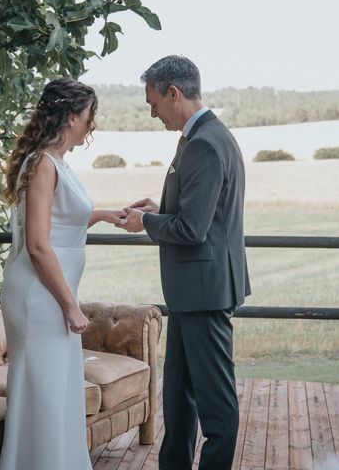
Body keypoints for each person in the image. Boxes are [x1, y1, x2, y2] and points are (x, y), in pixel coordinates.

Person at [116, 55, 251, 470]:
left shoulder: (206, 143)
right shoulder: (200, 137)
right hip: (191, 292)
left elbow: (193, 229)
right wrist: (160, 208)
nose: (152, 112)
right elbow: (199, 214)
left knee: (216, 407)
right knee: (176, 397)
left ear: (173, 93)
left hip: (204, 292)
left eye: (154, 102)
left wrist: (146, 222)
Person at [0, 78, 125, 470]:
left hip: (51, 294)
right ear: (71, 117)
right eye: (89, 116)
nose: (92, 125)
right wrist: (71, 305)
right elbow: (38, 245)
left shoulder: (54, 162)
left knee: (56, 395)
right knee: (47, 397)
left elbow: (61, 223)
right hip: (40, 297)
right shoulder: (41, 165)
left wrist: (105, 215)